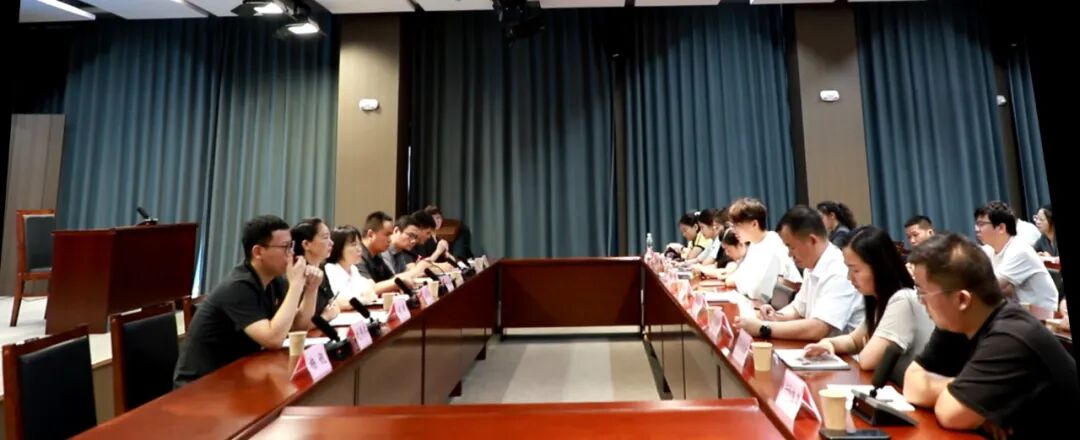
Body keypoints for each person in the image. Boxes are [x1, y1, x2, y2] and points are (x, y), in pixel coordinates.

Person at [902, 234, 1079, 438]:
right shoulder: (955, 324)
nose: (921, 301)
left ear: (962, 299)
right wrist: (968, 391)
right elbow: (911, 383)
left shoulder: (1012, 336)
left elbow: (950, 412)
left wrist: (966, 396)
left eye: (923, 293)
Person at [174, 215, 319, 386]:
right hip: (202, 384)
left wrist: (311, 289)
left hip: (238, 373)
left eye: (291, 246)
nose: (291, 254)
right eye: (285, 247)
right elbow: (273, 339)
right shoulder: (238, 287)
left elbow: (299, 326)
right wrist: (295, 286)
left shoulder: (274, 281)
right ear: (258, 252)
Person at [803, 226, 933, 385]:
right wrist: (829, 343)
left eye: (855, 270)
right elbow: (854, 341)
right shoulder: (880, 300)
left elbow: (867, 360)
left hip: (907, 395)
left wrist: (864, 348)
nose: (849, 278)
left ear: (879, 267)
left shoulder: (902, 300)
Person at [735, 206, 863, 340]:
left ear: (812, 240)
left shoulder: (838, 270)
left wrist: (764, 327)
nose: (789, 254)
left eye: (791, 247)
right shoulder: (812, 265)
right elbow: (797, 309)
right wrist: (775, 316)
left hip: (843, 351)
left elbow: (818, 328)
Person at [974, 201, 1058, 318]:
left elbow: (990, 287)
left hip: (1041, 316)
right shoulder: (990, 249)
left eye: (981, 224)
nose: (976, 229)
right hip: (1018, 312)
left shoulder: (1019, 250)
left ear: (1001, 228)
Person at [723, 198, 801, 303]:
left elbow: (757, 290)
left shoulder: (773, 243)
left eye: (738, 226)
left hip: (781, 307)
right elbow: (735, 279)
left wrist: (742, 282)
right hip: (762, 304)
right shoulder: (754, 244)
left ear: (754, 224)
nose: (734, 231)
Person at [291, 218, 339, 322]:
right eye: (325, 237)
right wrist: (325, 317)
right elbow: (297, 324)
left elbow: (333, 304)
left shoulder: (320, 267)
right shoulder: (296, 273)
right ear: (306, 244)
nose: (331, 243)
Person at [357, 211, 414, 293]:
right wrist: (399, 281)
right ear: (371, 235)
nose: (390, 239)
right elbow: (370, 289)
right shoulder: (357, 255)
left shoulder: (377, 255)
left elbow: (391, 278)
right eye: (387, 235)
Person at [324, 225, 377, 308]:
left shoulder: (353, 268)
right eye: (354, 244)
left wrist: (362, 298)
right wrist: (364, 299)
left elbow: (371, 293)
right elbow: (341, 301)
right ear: (339, 248)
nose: (359, 249)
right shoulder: (330, 269)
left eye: (359, 244)